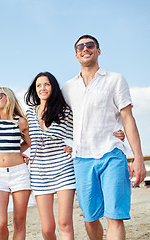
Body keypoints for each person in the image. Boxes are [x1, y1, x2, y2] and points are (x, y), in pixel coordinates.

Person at [62, 35, 146, 240]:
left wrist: (138, 157)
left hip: (112, 154)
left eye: (89, 45)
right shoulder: (67, 88)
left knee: (114, 217)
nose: (85, 49)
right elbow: (59, 121)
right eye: (80, 47)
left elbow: (128, 118)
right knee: (90, 219)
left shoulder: (115, 79)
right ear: (76, 55)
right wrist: (66, 144)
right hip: (82, 159)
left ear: (98, 51)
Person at [24, 72, 76, 240]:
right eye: (39, 85)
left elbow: (83, 129)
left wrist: (74, 147)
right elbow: (22, 139)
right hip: (39, 172)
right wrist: (21, 155)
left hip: (64, 168)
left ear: (53, 87)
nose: (42, 88)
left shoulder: (65, 111)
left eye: (46, 84)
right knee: (47, 229)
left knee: (64, 223)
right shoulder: (30, 113)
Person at [0, 87, 32, 240]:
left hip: (19, 173)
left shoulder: (21, 121)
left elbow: (29, 142)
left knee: (19, 222)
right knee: (0, 223)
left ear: (9, 97)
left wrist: (16, 152)